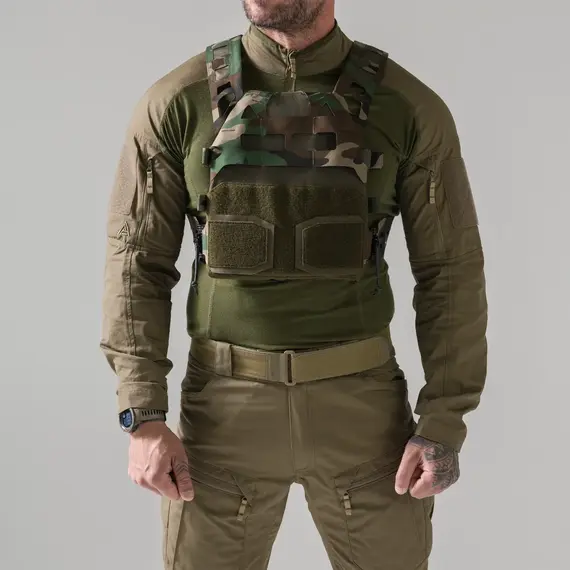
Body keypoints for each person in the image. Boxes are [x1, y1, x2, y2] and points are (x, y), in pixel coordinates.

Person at [100, 0, 488, 568]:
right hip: (224, 413)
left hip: (363, 416)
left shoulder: (406, 106)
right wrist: (142, 413)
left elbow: (450, 270)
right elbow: (136, 262)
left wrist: (444, 420)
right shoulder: (178, 102)